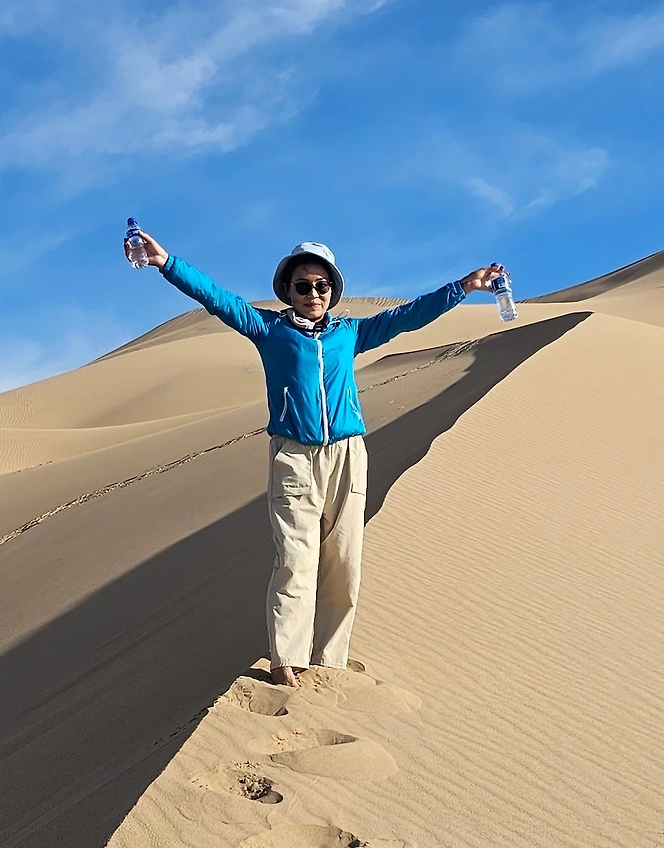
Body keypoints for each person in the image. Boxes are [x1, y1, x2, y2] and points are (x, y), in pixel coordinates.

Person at [128, 232, 506, 685]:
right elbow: (216, 298)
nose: (313, 293)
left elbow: (409, 316)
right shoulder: (268, 329)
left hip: (348, 455)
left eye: (321, 285)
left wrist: (464, 286)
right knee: (296, 560)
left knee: (344, 561)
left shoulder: (350, 333)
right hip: (293, 457)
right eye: (303, 285)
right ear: (287, 291)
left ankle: (330, 661)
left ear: (332, 290)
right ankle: (286, 658)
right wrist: (166, 262)